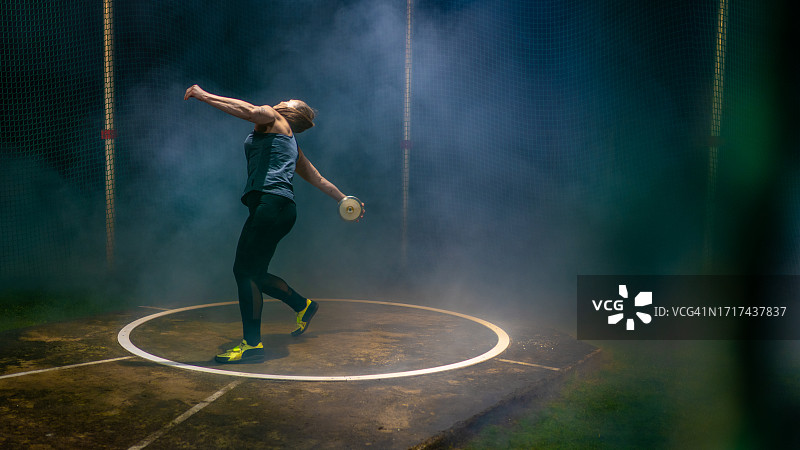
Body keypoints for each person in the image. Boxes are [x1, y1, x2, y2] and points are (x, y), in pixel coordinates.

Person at [184, 84, 364, 363]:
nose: (283, 99)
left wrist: (202, 94)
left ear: (292, 113)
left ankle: (252, 345)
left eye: (289, 101)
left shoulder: (273, 116)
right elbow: (316, 178)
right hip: (283, 210)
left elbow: (249, 110)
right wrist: (345, 200)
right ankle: (302, 305)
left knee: (244, 272)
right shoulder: (291, 143)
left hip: (269, 205)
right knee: (254, 272)